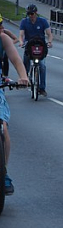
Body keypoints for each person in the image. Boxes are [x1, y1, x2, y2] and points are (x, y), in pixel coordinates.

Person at [0, 23, 29, 194]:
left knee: (2, 128)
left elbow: (16, 60)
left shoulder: (3, 39)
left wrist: (23, 77)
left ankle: (3, 172)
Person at [18, 4, 53, 97]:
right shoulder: (24, 22)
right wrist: (21, 42)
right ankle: (25, 78)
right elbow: (21, 35)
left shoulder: (42, 21)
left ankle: (42, 88)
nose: (30, 16)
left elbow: (49, 34)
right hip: (29, 44)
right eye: (29, 14)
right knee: (25, 61)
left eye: (32, 14)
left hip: (40, 44)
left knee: (42, 66)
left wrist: (49, 42)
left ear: (36, 13)